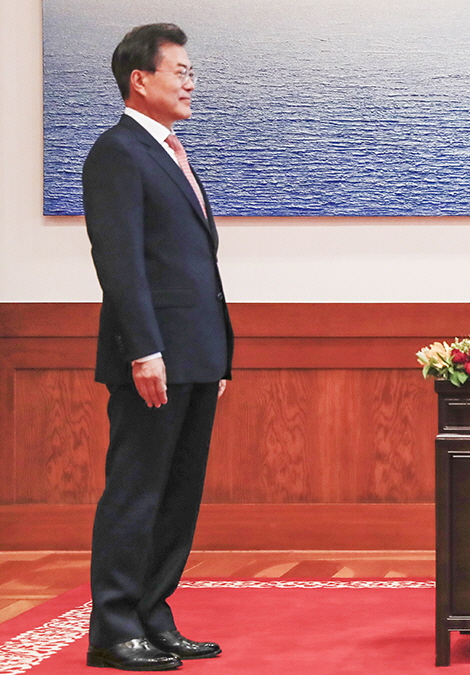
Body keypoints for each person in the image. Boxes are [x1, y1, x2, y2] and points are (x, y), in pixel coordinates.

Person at [83, 23, 233, 671]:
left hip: (196, 357)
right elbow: (120, 263)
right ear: (140, 79)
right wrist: (144, 349)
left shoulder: (171, 151)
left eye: (192, 71)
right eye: (180, 71)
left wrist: (219, 354)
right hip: (153, 360)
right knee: (137, 490)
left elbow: (196, 263)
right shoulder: (117, 152)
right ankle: (114, 627)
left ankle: (152, 614)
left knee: (178, 494)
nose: (191, 81)